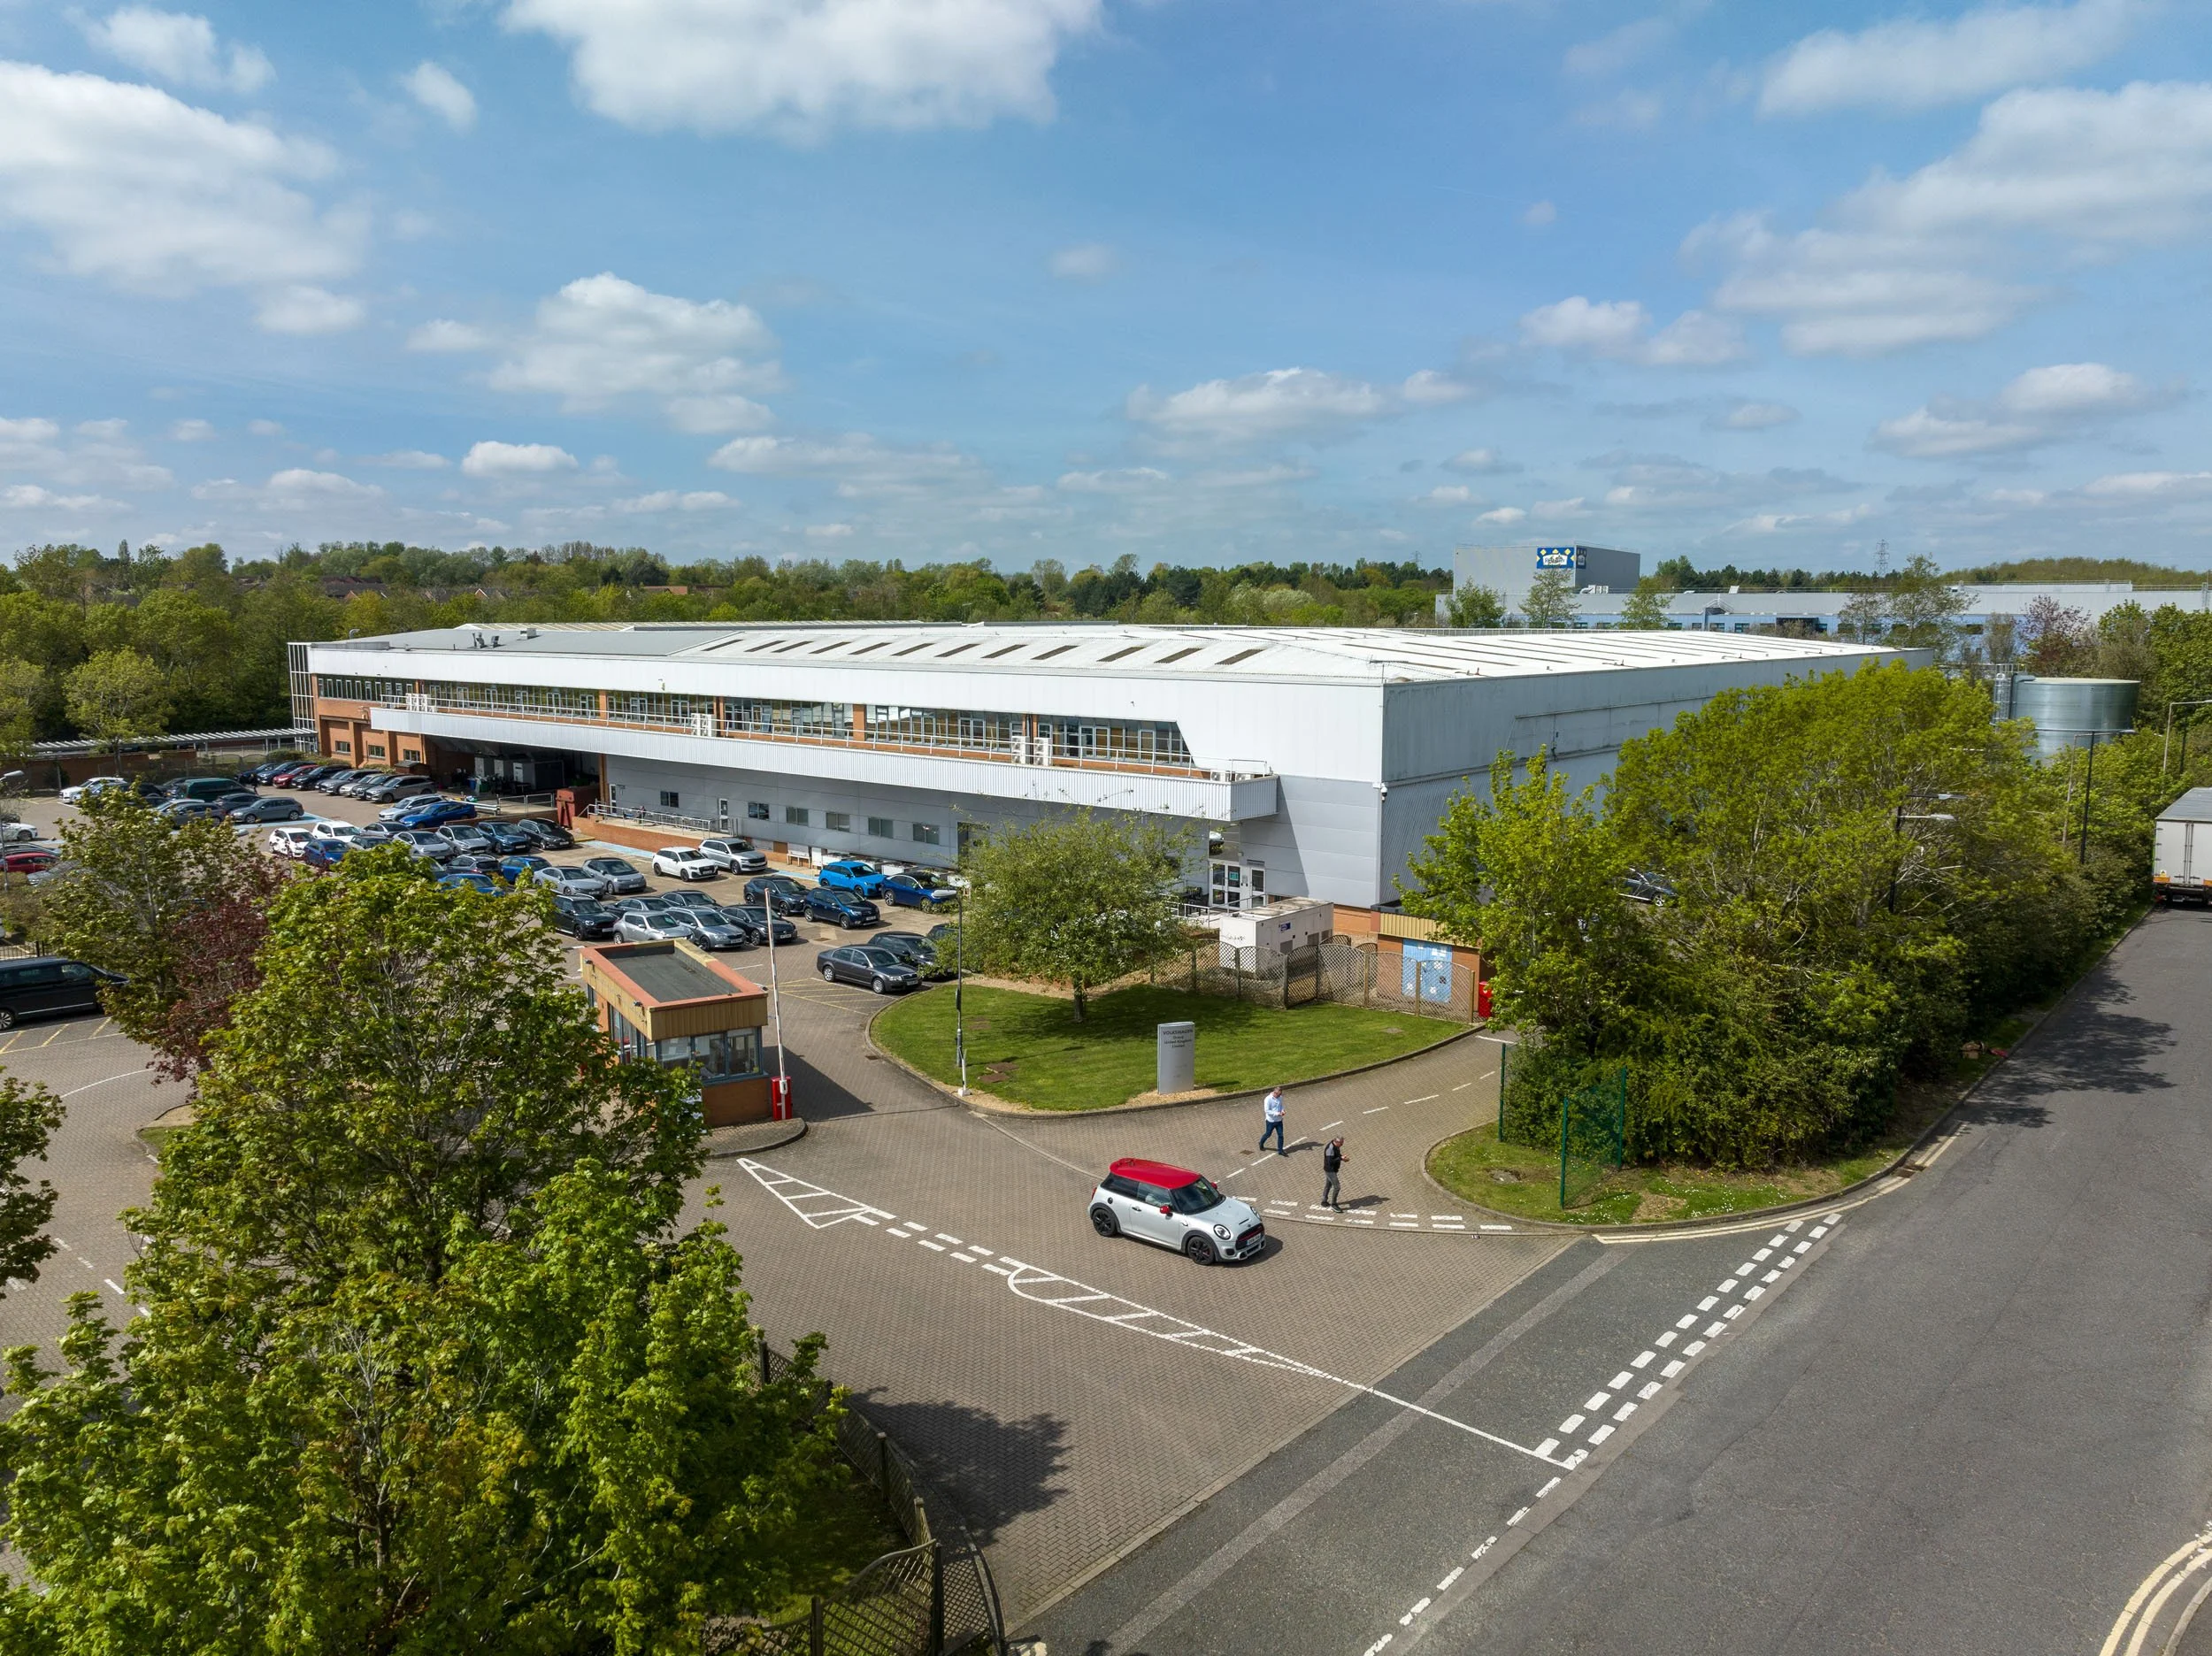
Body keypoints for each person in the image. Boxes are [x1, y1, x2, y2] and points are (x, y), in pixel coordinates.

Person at [1321, 1136, 1347, 1210]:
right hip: (1330, 1171)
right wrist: (1340, 1158)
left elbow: (1336, 1156)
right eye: (1341, 1144)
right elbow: (1330, 1162)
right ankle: (1334, 1204)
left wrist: (1342, 1158)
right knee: (1337, 1187)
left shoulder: (1335, 1146)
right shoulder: (1330, 1149)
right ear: (1337, 1142)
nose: (1342, 1145)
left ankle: (1324, 1201)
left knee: (1328, 1185)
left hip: (1332, 1170)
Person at [1259, 1086, 1286, 1155]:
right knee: (1268, 1134)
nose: (1280, 1096)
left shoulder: (1280, 1097)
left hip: (1279, 1120)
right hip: (1271, 1121)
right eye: (1279, 1095)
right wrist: (1277, 1113)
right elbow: (1267, 1111)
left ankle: (1280, 1150)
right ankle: (1261, 1142)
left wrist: (1282, 1110)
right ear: (1275, 1093)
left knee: (1281, 1135)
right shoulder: (1268, 1099)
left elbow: (1281, 1105)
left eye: (1280, 1095)